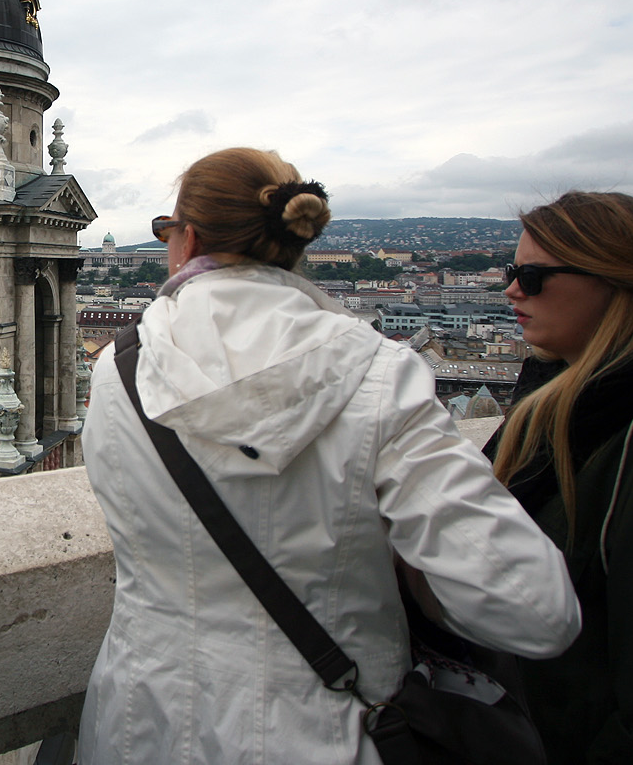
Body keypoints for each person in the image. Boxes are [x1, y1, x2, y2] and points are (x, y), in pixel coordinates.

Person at [76, 148, 580, 765]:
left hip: (138, 725)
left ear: (188, 240)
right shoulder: (380, 373)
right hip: (329, 731)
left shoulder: (117, 372)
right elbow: (536, 611)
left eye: (164, 232)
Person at [489, 191, 633, 764]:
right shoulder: (566, 401)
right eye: (514, 272)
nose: (512, 289)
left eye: (532, 277)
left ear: (615, 281)